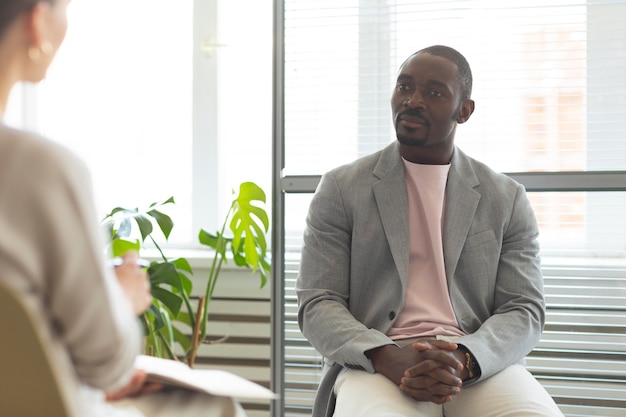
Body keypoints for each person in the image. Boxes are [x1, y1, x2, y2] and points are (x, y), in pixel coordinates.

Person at [0, 1, 246, 416]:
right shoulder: (40, 169)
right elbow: (105, 362)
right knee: (218, 405)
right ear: (37, 22)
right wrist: (123, 298)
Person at [296, 45, 565, 417]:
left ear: (464, 110)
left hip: (474, 362)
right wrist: (387, 357)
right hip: (375, 362)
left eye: (434, 93)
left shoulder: (505, 197)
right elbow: (317, 303)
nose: (413, 101)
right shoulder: (342, 189)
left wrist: (465, 358)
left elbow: (524, 308)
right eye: (404, 87)